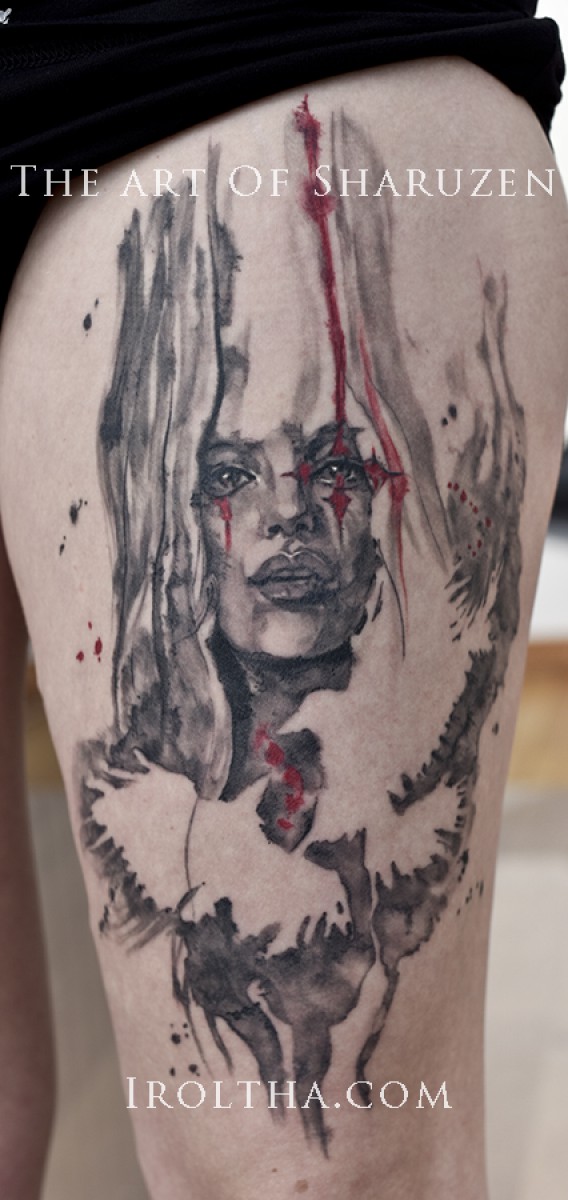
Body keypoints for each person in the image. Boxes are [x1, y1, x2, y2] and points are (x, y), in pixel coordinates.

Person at [0, 8, 567, 1200]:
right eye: (230, 479)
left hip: (220, 46)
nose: (288, 513)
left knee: (313, 1178)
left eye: (335, 468)